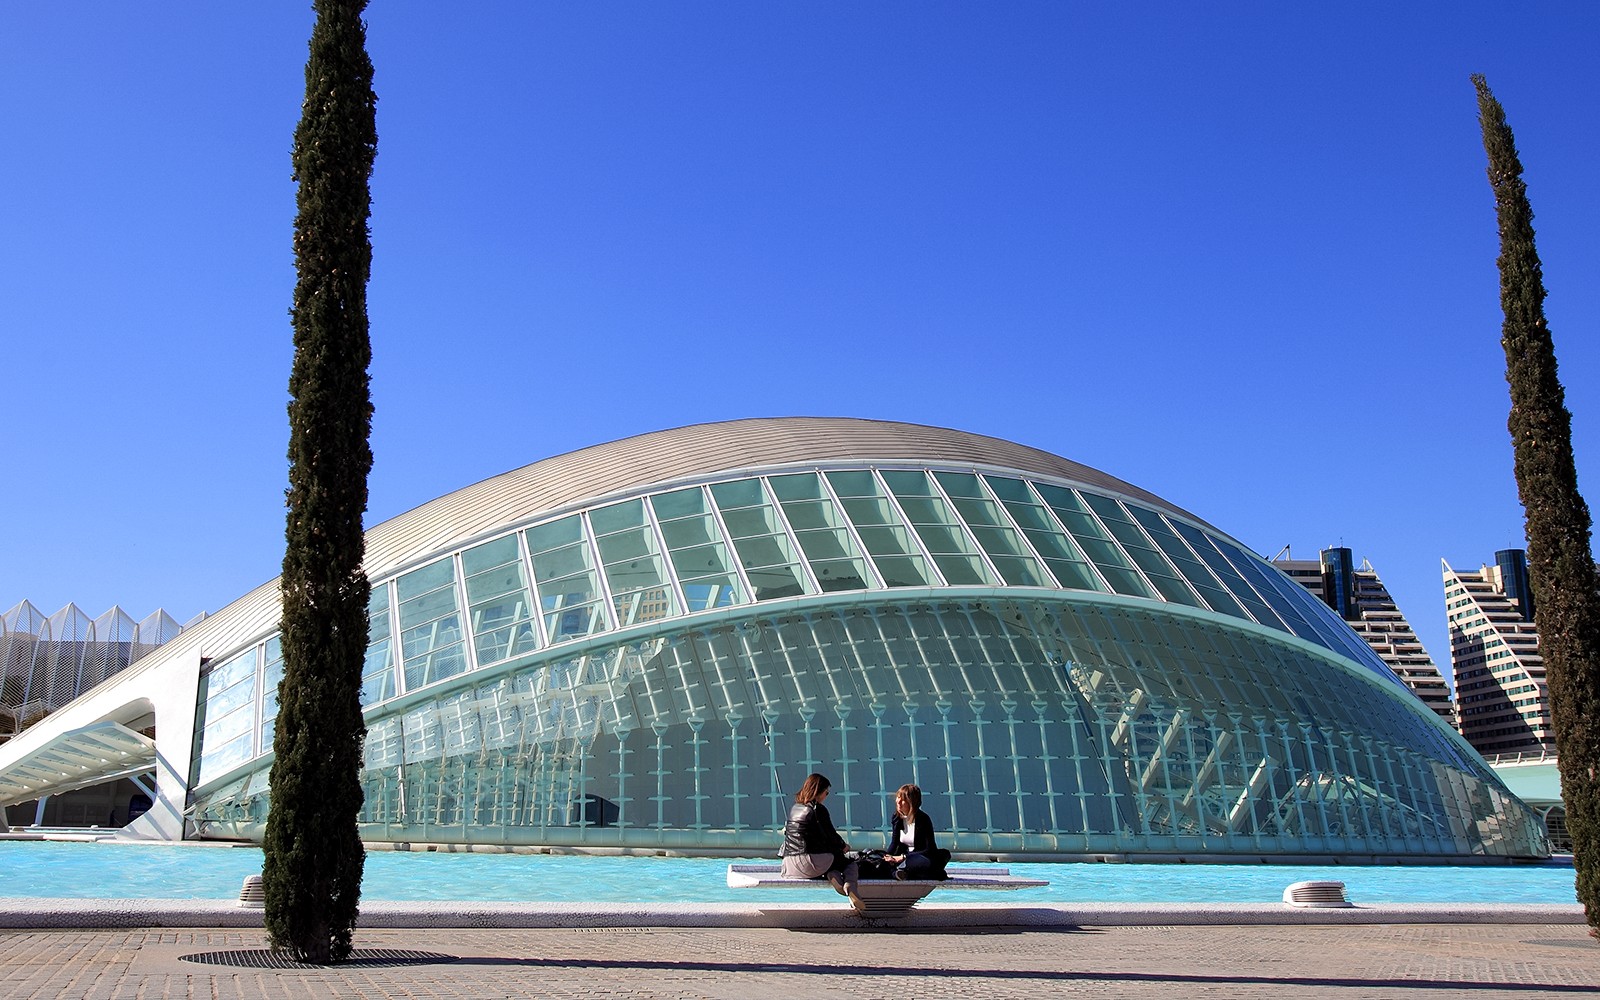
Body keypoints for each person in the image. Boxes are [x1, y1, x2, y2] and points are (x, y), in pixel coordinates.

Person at [780, 772, 863, 910]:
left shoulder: (794, 809)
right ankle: (850, 888)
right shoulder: (817, 809)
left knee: (833, 866)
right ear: (818, 791)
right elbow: (831, 835)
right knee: (850, 864)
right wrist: (844, 846)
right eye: (826, 793)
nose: (826, 796)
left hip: (789, 866)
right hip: (810, 863)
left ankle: (835, 878)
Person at [882, 783, 950, 880]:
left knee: (926, 861)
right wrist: (887, 856)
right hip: (904, 854)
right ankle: (898, 873)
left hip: (919, 855)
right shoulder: (897, 817)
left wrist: (903, 857)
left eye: (903, 800)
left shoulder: (923, 820)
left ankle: (900, 871)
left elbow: (929, 849)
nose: (898, 802)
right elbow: (894, 842)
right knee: (874, 856)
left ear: (912, 802)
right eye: (898, 798)